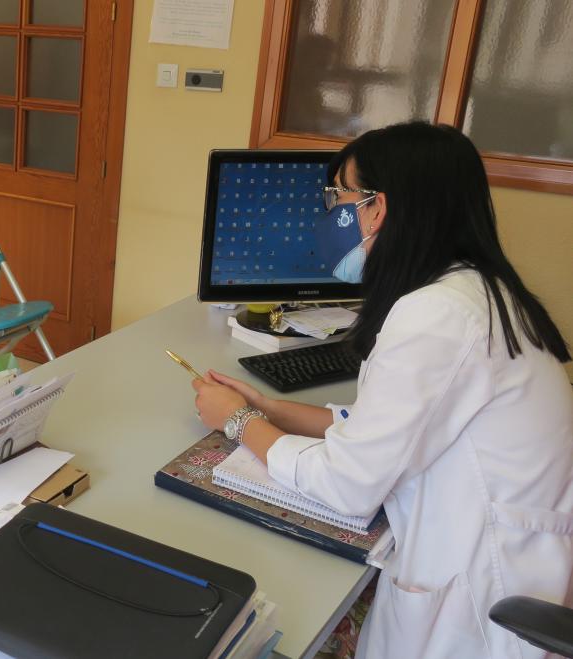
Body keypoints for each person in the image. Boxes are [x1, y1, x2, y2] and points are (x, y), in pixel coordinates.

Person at [192, 122, 573, 658]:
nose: (333, 214)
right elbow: (389, 425)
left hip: (481, 599)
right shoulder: (478, 290)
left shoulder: (437, 315)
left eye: (339, 197)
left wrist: (237, 423)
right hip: (516, 554)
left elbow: (349, 485)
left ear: (378, 208)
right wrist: (268, 406)